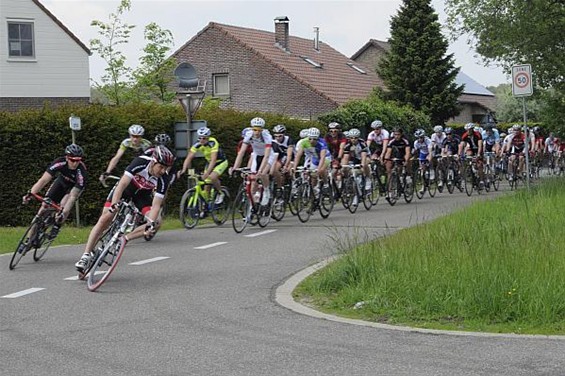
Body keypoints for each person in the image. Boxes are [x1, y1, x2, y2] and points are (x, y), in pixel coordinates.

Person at [75, 145, 175, 272]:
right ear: (154, 161)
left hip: (142, 196)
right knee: (105, 217)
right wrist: (114, 205)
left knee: (156, 222)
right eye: (161, 167)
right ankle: (86, 255)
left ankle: (125, 238)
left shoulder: (164, 179)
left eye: (165, 168)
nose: (162, 171)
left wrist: (150, 223)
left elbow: (156, 205)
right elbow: (122, 184)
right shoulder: (140, 162)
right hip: (126, 189)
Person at [22, 144, 87, 240]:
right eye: (72, 160)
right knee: (43, 207)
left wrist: (63, 212)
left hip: (72, 189)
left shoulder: (81, 172)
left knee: (63, 208)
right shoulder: (59, 162)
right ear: (67, 157)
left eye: (78, 160)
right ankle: (28, 239)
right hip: (60, 183)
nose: (75, 163)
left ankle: (57, 226)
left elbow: (73, 196)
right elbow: (43, 180)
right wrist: (30, 193)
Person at [230, 117, 274, 206]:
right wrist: (235, 168)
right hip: (256, 155)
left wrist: (260, 170)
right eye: (255, 130)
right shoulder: (249, 134)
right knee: (253, 179)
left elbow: (266, 156)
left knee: (262, 174)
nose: (257, 132)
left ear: (262, 130)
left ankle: (266, 190)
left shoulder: (267, 136)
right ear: (251, 129)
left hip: (268, 155)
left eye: (259, 130)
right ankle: (252, 205)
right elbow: (241, 152)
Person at [177, 126, 228, 204]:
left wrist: (207, 173)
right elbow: (189, 158)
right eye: (200, 138)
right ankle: (206, 205)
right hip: (209, 162)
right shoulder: (197, 144)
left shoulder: (213, 142)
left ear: (208, 138)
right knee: (206, 185)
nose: (201, 140)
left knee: (212, 177)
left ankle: (220, 193)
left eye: (204, 138)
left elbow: (213, 160)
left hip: (220, 162)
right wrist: (183, 170)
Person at [293, 127, 331, 193]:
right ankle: (314, 191)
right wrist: (294, 166)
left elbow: (322, 157)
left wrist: (319, 168)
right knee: (313, 175)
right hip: (315, 158)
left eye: (314, 139)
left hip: (325, 158)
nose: (312, 141)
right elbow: (298, 155)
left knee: (321, 170)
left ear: (318, 138)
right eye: (310, 139)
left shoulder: (322, 142)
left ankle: (326, 184)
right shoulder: (304, 142)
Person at [341, 128, 372, 196]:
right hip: (355, 158)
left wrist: (362, 164)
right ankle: (349, 183)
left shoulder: (362, 143)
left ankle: (367, 179)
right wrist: (343, 166)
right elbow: (346, 158)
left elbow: (363, 156)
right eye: (351, 138)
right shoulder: (348, 145)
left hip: (364, 157)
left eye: (355, 138)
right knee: (346, 168)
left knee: (365, 163)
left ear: (358, 138)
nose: (353, 139)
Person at [270, 124, 294, 189]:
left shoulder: (288, 140)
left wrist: (286, 166)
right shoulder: (272, 140)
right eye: (276, 136)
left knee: (289, 171)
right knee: (275, 169)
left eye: (280, 136)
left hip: (290, 157)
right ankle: (279, 186)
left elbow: (289, 155)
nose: (278, 138)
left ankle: (293, 184)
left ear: (284, 134)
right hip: (280, 156)